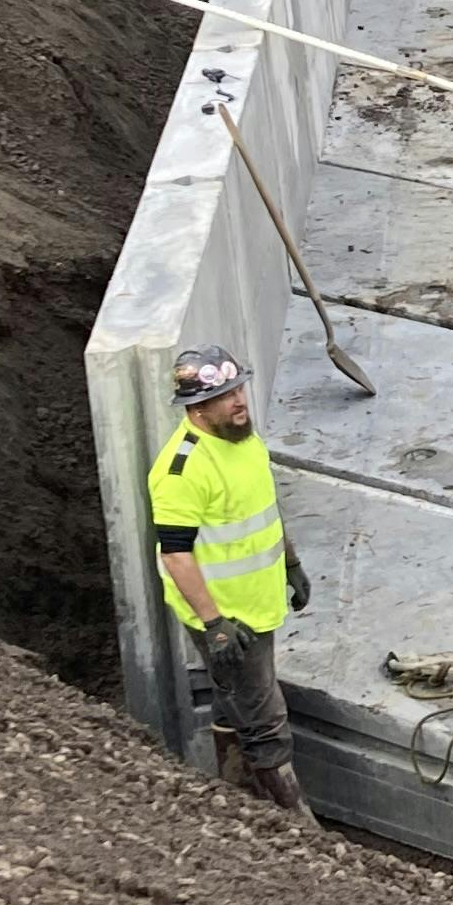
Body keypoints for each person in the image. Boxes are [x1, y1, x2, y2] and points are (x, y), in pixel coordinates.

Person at [148, 344, 311, 817]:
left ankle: (235, 792)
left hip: (256, 606)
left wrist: (290, 562)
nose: (239, 400)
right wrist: (214, 622)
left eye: (238, 388)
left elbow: (262, 510)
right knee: (266, 720)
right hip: (227, 618)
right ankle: (296, 824)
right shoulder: (182, 470)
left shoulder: (243, 440)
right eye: (225, 395)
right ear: (197, 408)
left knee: (231, 702)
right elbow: (176, 556)